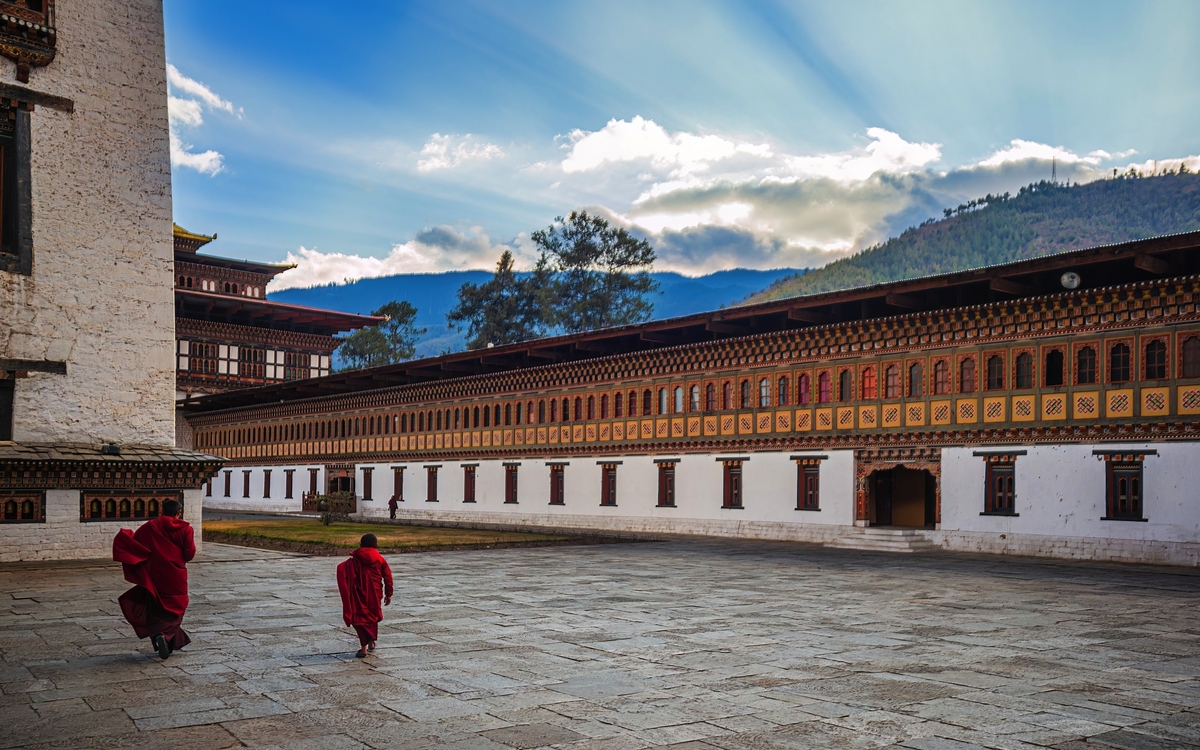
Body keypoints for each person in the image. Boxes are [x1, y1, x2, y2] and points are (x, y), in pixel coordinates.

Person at [111, 499, 195, 659]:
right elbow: (189, 554)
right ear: (178, 512)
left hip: (155, 573)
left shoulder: (150, 526)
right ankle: (163, 634)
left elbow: (136, 543)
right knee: (178, 604)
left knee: (156, 604)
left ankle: (162, 637)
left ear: (162, 511)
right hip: (176, 574)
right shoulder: (186, 529)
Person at [336, 533, 393, 658]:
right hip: (375, 593)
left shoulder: (354, 560)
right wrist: (388, 594)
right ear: (376, 545)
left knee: (360, 620)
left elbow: (343, 569)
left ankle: (364, 649)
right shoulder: (380, 559)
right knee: (372, 617)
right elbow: (388, 577)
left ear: (360, 544)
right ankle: (371, 642)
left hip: (358, 594)